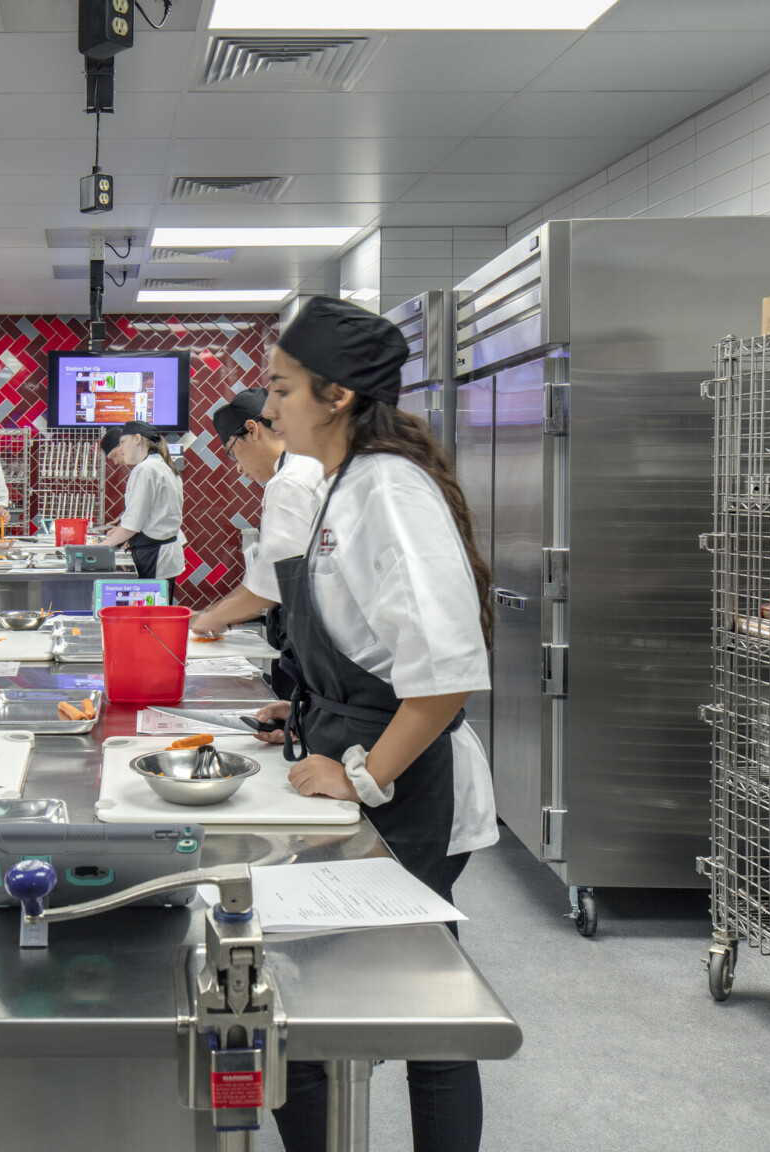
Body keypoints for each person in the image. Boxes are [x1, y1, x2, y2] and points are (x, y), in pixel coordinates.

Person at [250, 297, 496, 1152]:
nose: (268, 407)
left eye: (281, 390)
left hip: (404, 783)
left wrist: (362, 774)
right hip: (359, 756)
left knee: (423, 1013)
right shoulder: (343, 484)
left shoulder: (388, 490)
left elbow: (445, 674)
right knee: (322, 996)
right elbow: (372, 644)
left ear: (338, 395)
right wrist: (308, 699)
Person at [188, 389, 321, 638]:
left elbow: (274, 581)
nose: (238, 467)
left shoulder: (290, 480)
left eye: (232, 451)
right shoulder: (309, 462)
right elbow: (267, 574)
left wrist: (213, 618)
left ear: (252, 429)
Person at [100, 420, 185, 592]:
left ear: (137, 439)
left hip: (154, 558)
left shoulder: (145, 470)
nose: (122, 449)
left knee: (151, 616)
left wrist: (100, 548)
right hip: (164, 556)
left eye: (123, 442)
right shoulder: (163, 466)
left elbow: (132, 526)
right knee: (160, 614)